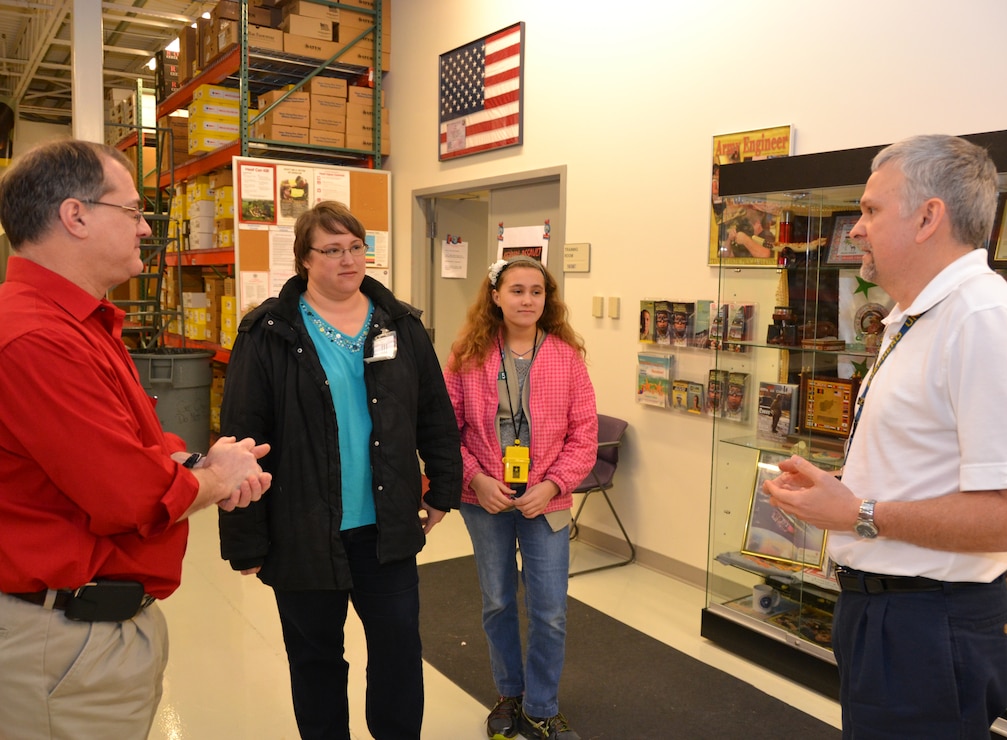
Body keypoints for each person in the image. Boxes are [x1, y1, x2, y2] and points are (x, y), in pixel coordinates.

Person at [762, 134, 1007, 738]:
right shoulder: (920, 317)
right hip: (888, 613)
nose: (855, 230)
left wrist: (860, 512)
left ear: (929, 217)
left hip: (929, 622)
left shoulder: (984, 320)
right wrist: (839, 495)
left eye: (872, 211)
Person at [0, 139, 273, 738]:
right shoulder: (35, 338)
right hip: (61, 643)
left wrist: (193, 460)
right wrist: (217, 476)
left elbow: (127, 443)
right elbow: (128, 494)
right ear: (76, 216)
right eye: (132, 211)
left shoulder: (81, 322)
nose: (146, 228)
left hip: (94, 633)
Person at [218, 201, 462, 740]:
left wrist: (445, 488)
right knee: (316, 659)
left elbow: (434, 414)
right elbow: (239, 441)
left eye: (356, 247)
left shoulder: (400, 323)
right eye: (332, 250)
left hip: (386, 527)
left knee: (399, 653)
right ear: (304, 258)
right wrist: (245, 540)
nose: (349, 260)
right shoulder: (269, 332)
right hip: (304, 528)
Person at [444, 256, 597, 740]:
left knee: (550, 611)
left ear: (547, 299)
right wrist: (474, 478)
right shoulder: (466, 354)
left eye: (537, 291)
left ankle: (541, 706)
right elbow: (446, 430)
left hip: (545, 502)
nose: (527, 300)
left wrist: (553, 485)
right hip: (484, 499)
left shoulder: (566, 356)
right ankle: (509, 696)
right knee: (497, 603)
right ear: (495, 295)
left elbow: (585, 435)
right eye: (517, 290)